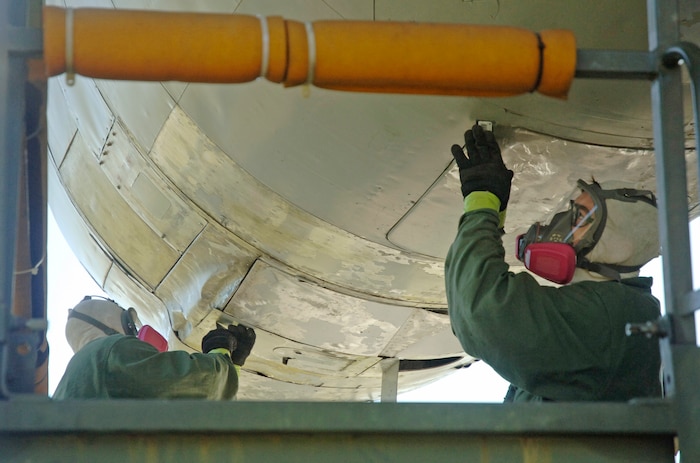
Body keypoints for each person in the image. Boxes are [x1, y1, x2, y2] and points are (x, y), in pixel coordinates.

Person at [444, 123, 662, 402]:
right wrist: (490, 212)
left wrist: (483, 204)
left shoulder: (614, 316)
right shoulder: (614, 311)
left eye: (579, 217)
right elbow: (469, 307)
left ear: (619, 244)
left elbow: (482, 310)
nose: (560, 225)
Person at [52, 296, 256, 400]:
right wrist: (219, 353)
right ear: (109, 323)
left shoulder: (73, 385)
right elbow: (197, 386)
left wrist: (232, 367)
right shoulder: (109, 351)